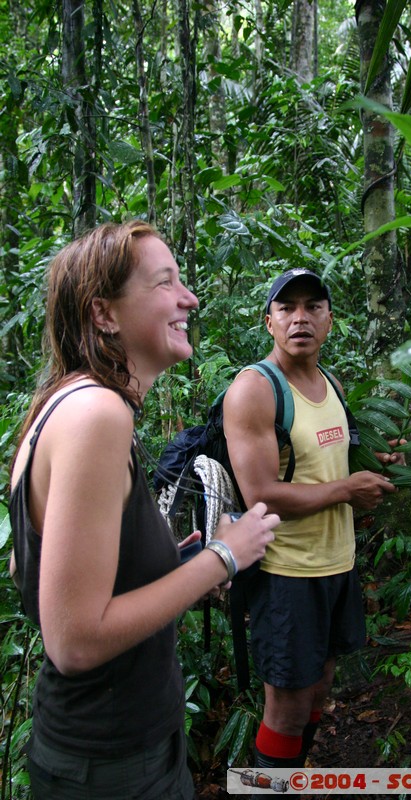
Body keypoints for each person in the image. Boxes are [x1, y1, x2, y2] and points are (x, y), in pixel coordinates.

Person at [8, 220, 279, 800]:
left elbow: (37, 575)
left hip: (113, 751)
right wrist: (225, 558)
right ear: (104, 313)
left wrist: (178, 563)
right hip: (112, 764)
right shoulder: (96, 415)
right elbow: (74, 640)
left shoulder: (63, 406)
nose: (190, 297)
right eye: (165, 283)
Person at [223, 268, 402, 774]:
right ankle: (268, 786)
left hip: (336, 564)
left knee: (320, 687)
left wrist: (374, 467)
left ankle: (291, 779)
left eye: (312, 307)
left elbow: (329, 463)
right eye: (287, 308)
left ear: (329, 320)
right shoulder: (255, 390)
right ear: (269, 322)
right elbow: (261, 493)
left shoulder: (332, 383)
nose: (300, 317)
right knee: (287, 707)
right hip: (287, 573)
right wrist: (347, 488)